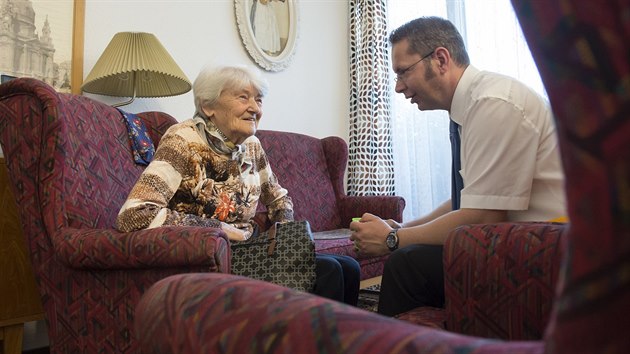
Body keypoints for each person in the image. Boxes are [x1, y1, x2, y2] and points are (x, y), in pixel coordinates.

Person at [349, 16, 567, 316]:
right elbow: (471, 198)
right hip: (519, 237)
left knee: (405, 263)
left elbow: (484, 215)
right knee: (411, 254)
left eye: (403, 72)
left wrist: (392, 239)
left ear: (440, 59)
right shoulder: (472, 106)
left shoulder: (493, 103)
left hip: (548, 246)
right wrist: (402, 227)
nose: (398, 87)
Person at [116, 64, 360, 306]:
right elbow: (135, 214)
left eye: (259, 99)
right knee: (328, 272)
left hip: (249, 251)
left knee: (348, 267)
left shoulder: (251, 145)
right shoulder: (182, 140)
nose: (254, 108)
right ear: (207, 106)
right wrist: (219, 228)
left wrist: (283, 236)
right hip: (206, 258)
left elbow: (279, 198)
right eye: (243, 97)